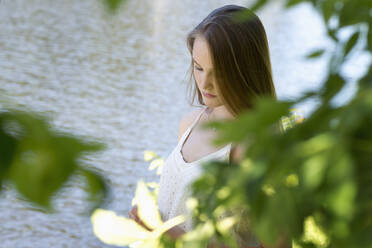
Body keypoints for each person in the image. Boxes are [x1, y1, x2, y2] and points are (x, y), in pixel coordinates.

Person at [130, 4, 291, 248]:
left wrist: (174, 238)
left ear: (245, 69)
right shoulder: (190, 124)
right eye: (198, 67)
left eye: (220, 72)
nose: (205, 83)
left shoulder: (256, 147)